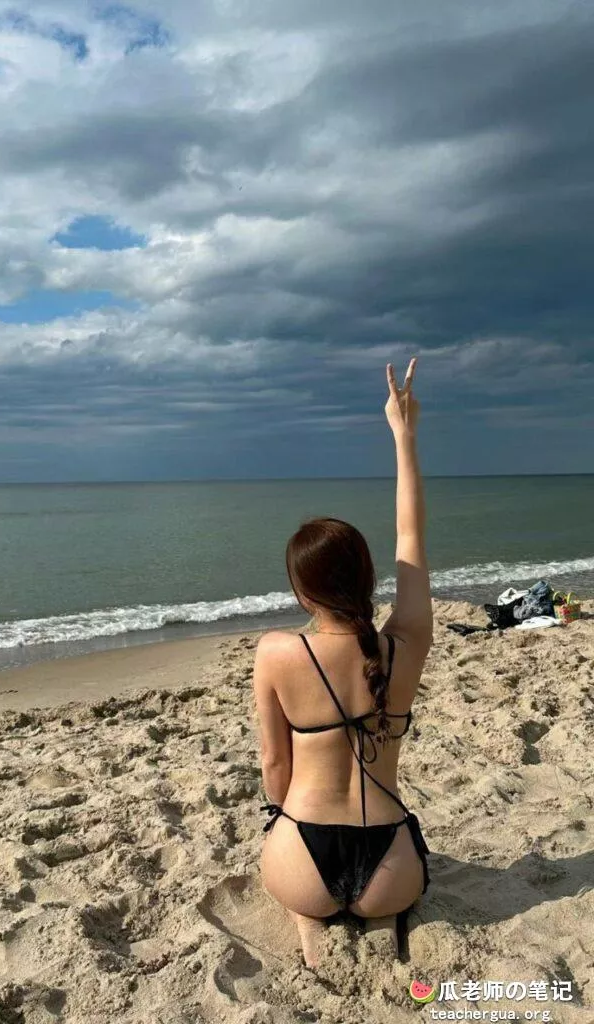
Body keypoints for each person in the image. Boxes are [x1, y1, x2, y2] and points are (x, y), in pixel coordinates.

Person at [252, 357, 433, 968]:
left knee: (291, 873)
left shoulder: (277, 652)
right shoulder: (403, 647)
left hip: (304, 856)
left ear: (302, 594)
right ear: (368, 578)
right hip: (391, 864)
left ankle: (311, 919)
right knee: (387, 891)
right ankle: (381, 916)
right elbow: (412, 538)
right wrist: (403, 434)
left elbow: (275, 764)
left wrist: (285, 825)